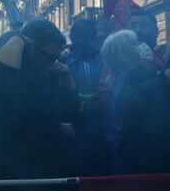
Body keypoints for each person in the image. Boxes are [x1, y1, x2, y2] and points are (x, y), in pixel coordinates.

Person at [0, 20, 76, 191]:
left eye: (57, 58)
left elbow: (71, 112)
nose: (54, 63)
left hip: (39, 180)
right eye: (50, 57)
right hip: (2, 180)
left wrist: (66, 76)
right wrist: (20, 39)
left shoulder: (47, 76)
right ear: (29, 47)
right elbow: (14, 109)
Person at [99, 30, 155, 174]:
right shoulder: (142, 77)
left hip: (115, 148)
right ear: (126, 52)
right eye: (135, 43)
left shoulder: (110, 79)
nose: (140, 46)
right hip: (135, 151)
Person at [62, 18, 107, 176]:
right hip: (96, 122)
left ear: (72, 38)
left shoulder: (63, 62)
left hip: (76, 123)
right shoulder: (104, 60)